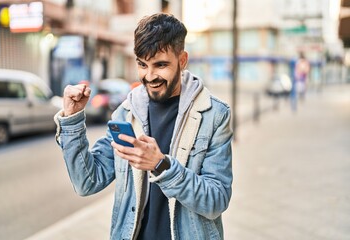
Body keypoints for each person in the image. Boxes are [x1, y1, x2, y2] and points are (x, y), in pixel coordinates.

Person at [54, 13, 233, 240]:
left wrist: (161, 165)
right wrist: (72, 119)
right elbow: (87, 182)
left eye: (160, 65)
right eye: (142, 64)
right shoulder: (126, 112)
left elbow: (216, 200)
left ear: (182, 60)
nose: (149, 76)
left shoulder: (214, 115)